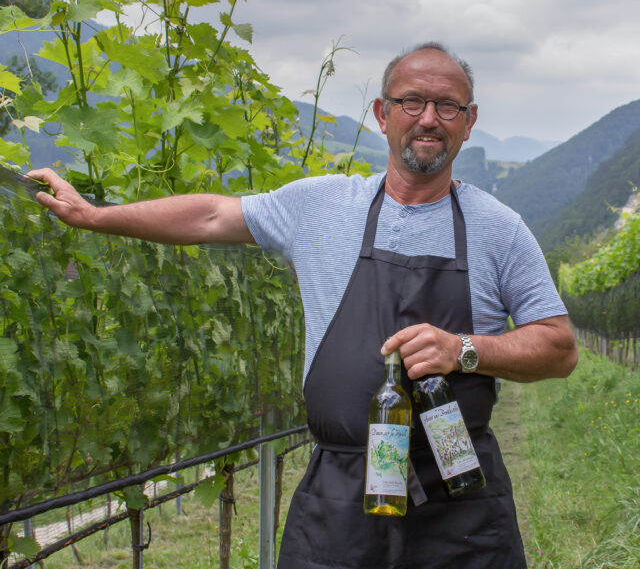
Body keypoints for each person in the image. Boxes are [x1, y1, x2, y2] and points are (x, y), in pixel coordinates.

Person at [30, 42, 578, 568]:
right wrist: (98, 216)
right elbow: (210, 217)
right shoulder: (320, 206)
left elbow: (559, 348)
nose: (428, 117)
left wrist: (465, 350)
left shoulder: (499, 229)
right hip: (339, 502)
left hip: (460, 503)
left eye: (447, 105)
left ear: (469, 119)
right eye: (412, 101)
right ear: (382, 114)